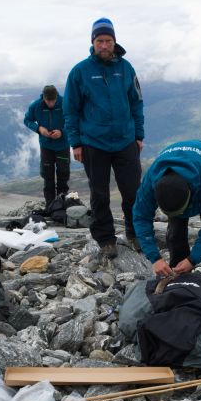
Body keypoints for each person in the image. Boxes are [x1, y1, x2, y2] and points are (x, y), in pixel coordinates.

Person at [64, 17, 144, 258]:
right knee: (99, 194)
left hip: (125, 141)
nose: (104, 45)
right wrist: (75, 142)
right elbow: (71, 109)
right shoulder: (80, 72)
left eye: (108, 40)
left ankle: (136, 233)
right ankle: (105, 238)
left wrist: (138, 135)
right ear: (93, 42)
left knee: (133, 191)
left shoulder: (126, 68)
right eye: (100, 41)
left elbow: (136, 102)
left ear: (114, 41)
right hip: (93, 143)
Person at [132, 140, 201, 296]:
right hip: (175, 184)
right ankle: (179, 277)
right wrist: (155, 258)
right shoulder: (150, 182)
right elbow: (140, 217)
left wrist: (193, 259)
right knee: (175, 232)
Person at [24, 85, 70, 207]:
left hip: (63, 145)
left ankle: (62, 204)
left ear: (56, 97)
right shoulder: (36, 106)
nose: (50, 103)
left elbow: (73, 120)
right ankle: (50, 206)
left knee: (63, 176)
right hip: (46, 146)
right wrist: (39, 129)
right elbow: (27, 120)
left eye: (53, 100)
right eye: (48, 101)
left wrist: (62, 132)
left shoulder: (65, 103)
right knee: (47, 177)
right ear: (43, 98)